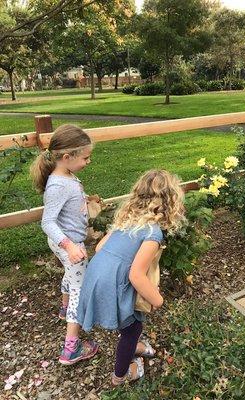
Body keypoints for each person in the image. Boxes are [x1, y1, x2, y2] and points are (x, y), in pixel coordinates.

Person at [77, 170, 185, 385]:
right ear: (170, 202)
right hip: (113, 284)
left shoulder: (126, 219)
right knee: (132, 328)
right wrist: (158, 300)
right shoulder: (153, 233)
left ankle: (134, 345)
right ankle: (120, 375)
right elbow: (136, 274)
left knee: (126, 323)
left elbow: (99, 247)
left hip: (95, 275)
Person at [30, 124, 98, 365]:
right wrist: (70, 246)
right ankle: (71, 348)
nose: (88, 161)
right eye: (86, 157)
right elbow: (47, 222)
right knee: (81, 286)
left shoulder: (65, 175)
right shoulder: (59, 184)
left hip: (66, 242)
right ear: (67, 157)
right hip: (69, 243)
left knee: (71, 276)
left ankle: (64, 308)